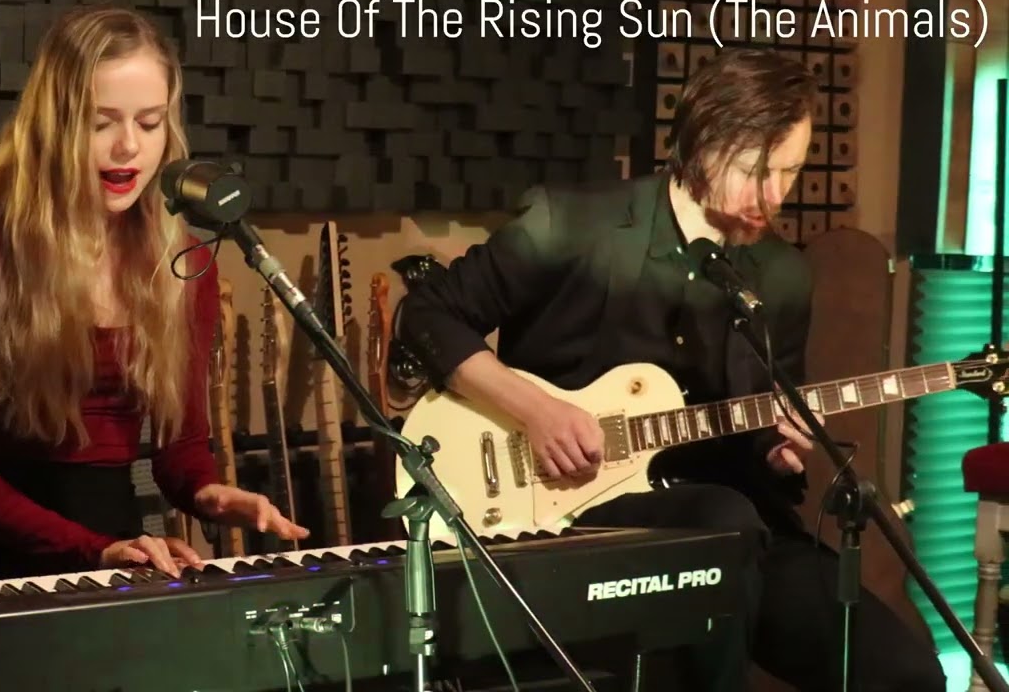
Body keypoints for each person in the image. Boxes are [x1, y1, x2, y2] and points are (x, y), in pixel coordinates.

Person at [396, 48, 946, 692]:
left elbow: (763, 428)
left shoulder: (782, 276)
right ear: (703, 143)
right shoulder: (573, 224)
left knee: (907, 676)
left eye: (791, 172)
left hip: (740, 532)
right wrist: (535, 411)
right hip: (571, 512)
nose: (774, 196)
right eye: (756, 171)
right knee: (721, 520)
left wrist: (777, 451)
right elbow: (428, 314)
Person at [0, 4, 308, 586]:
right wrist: (93, 549)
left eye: (149, 123)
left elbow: (179, 451)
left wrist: (209, 492)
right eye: (101, 122)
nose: (128, 147)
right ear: (54, 125)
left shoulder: (184, 263)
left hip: (109, 551)